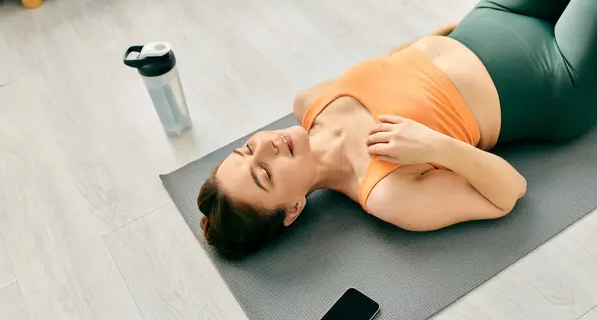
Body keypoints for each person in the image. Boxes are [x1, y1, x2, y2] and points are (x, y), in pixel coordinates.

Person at [198, 0, 597, 259]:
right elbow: (510, 192)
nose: (266, 148)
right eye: (264, 174)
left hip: (495, 17)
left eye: (247, 151)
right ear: (293, 209)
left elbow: (393, 61)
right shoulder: (386, 192)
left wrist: (463, 27)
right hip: (555, 74)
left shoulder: (309, 102)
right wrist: (433, 146)